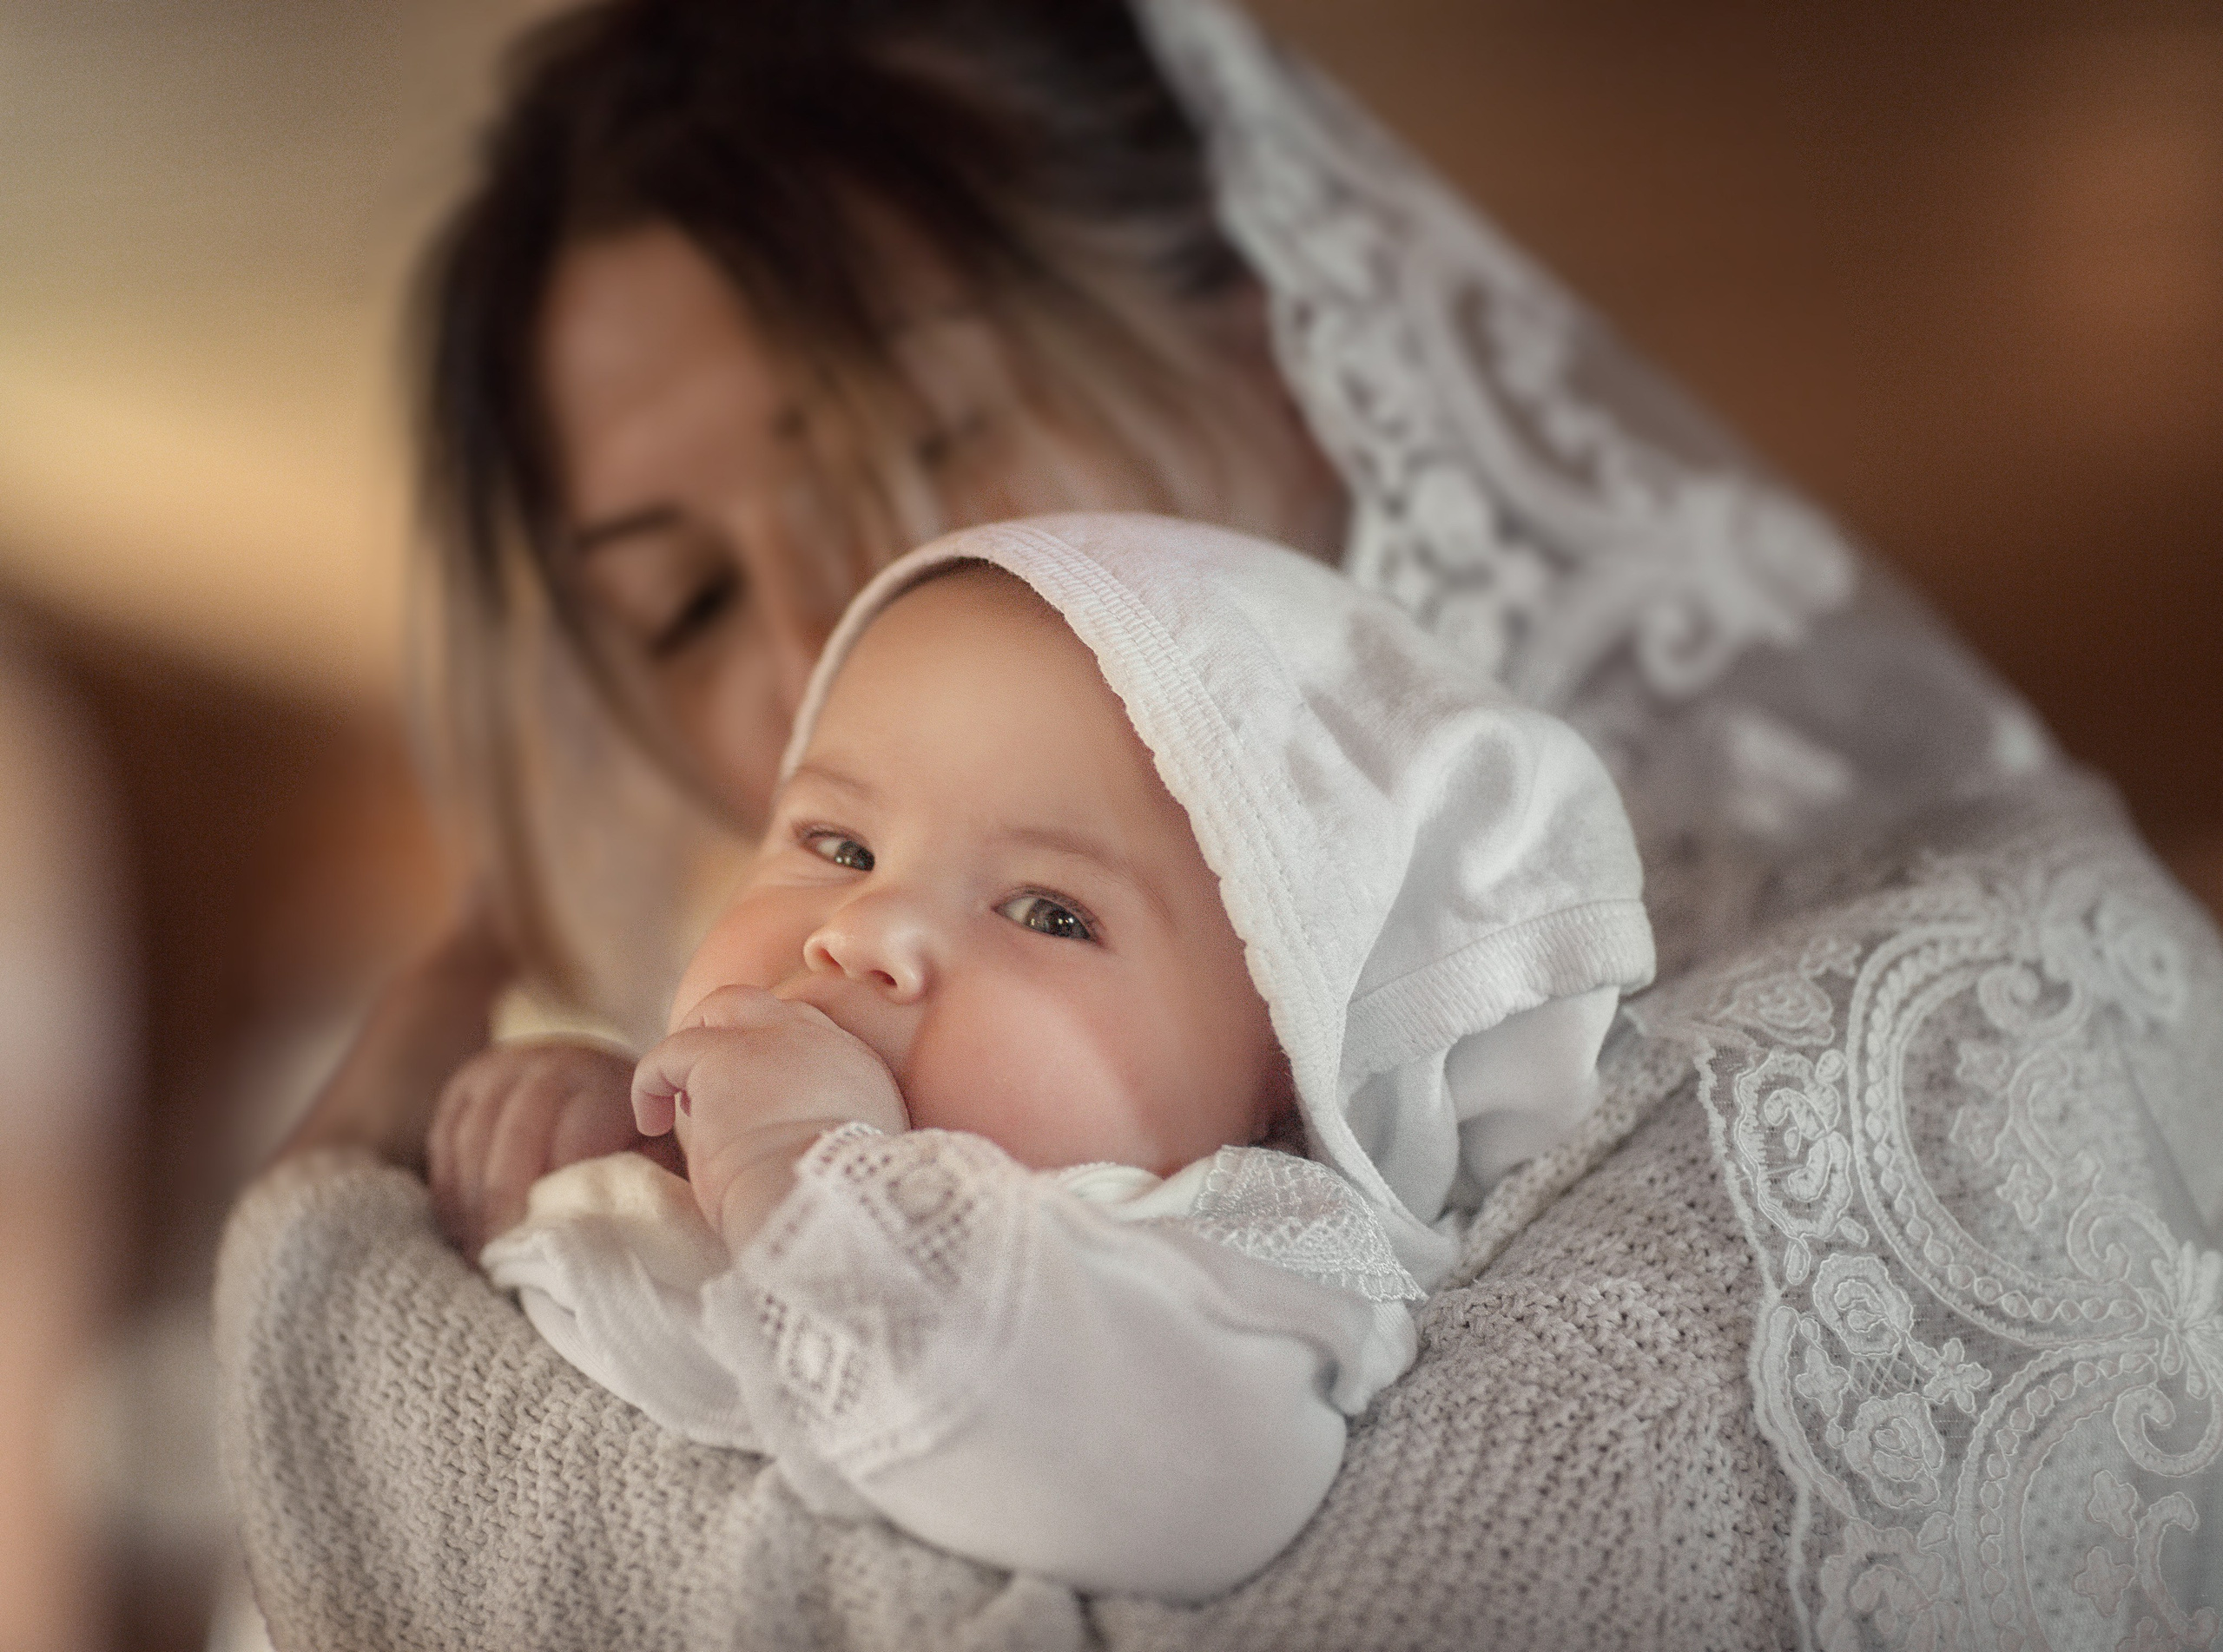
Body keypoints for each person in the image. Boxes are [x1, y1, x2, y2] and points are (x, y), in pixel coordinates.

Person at [221, 0, 2223, 1645]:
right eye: (682, 601)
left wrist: (334, 1318)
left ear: (1277, 371)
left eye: (929, 438)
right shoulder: (829, 1059)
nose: (836, 618)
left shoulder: (1926, 1028)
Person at [452, 516, 1652, 1599]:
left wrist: (802, 1163)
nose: (864, 930)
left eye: (1048, 915)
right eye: (837, 842)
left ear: (1280, 1086)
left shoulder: (1238, 1246)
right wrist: (581, 1152)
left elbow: (1161, 1484)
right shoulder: (705, 1147)